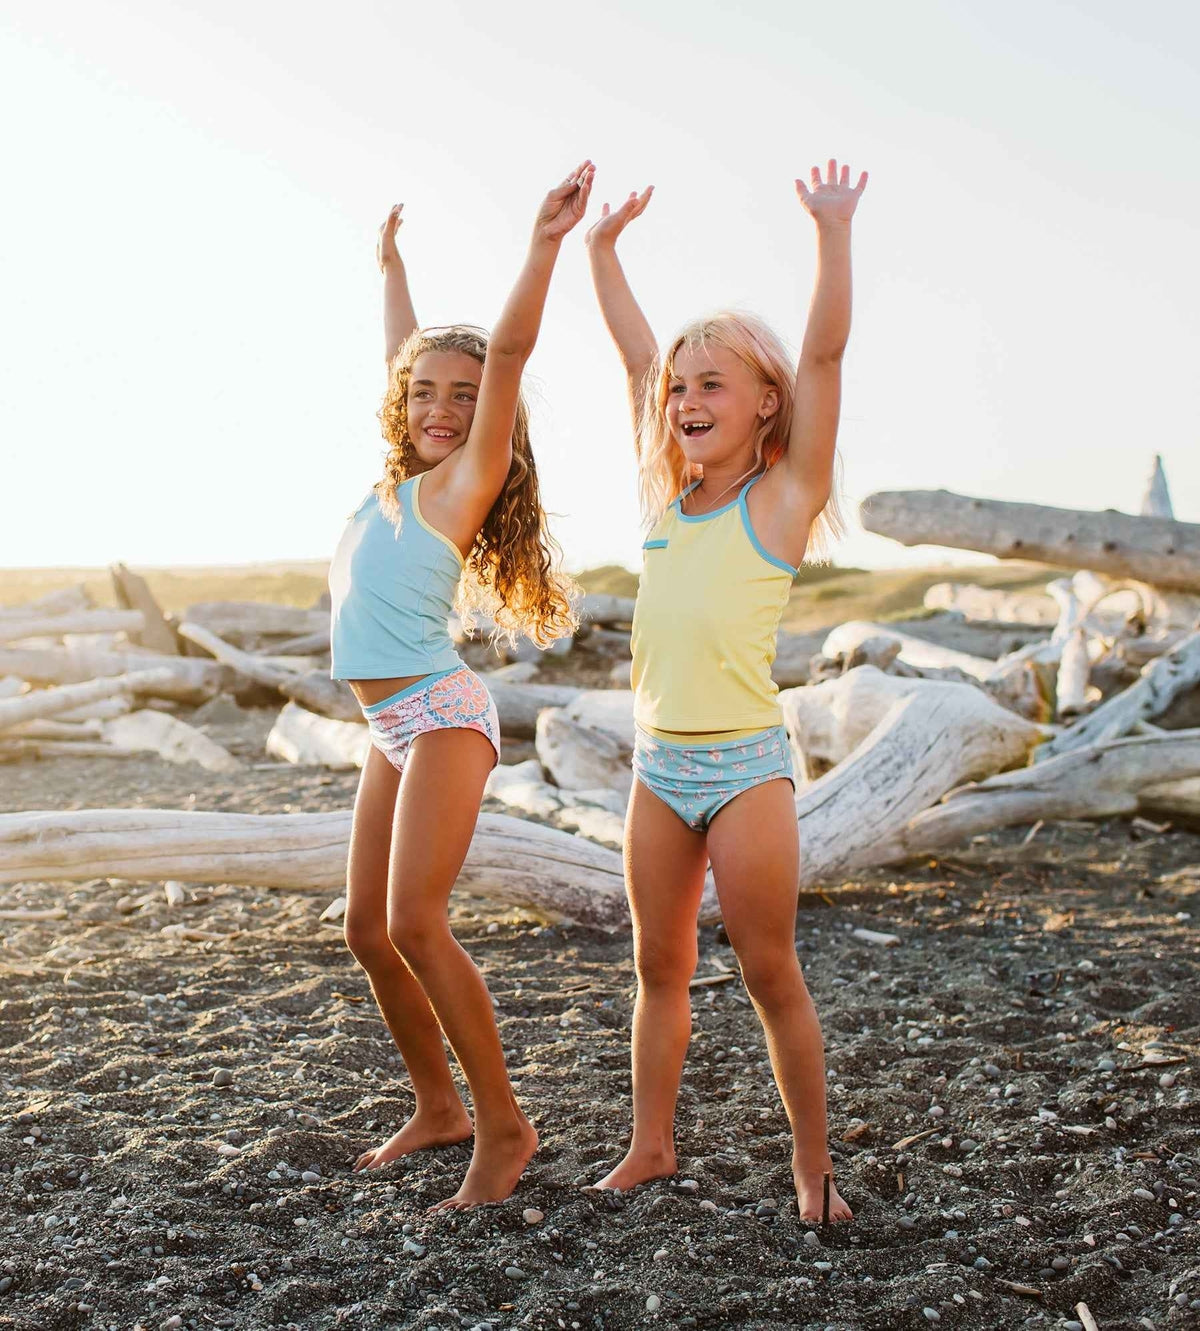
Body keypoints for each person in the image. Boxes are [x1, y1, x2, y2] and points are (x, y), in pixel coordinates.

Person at [583, 160, 866, 1223]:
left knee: (768, 970)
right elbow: (634, 356)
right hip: (658, 767)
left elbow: (825, 353)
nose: (687, 399)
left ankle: (812, 1168)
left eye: (712, 384)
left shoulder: (783, 498)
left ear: (765, 403)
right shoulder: (666, 496)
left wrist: (831, 232)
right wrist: (601, 250)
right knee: (657, 965)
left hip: (747, 767)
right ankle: (650, 1145)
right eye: (681, 388)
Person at [329, 164, 592, 1211]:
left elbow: (509, 350)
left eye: (464, 397)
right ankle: (437, 1107)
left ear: (488, 418)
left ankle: (505, 1124)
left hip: (442, 714)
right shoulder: (393, 484)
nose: (441, 407)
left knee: (416, 921)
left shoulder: (461, 482)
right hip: (388, 725)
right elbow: (405, 354)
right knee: (366, 927)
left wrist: (542, 244)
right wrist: (389, 266)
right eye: (425, 393)